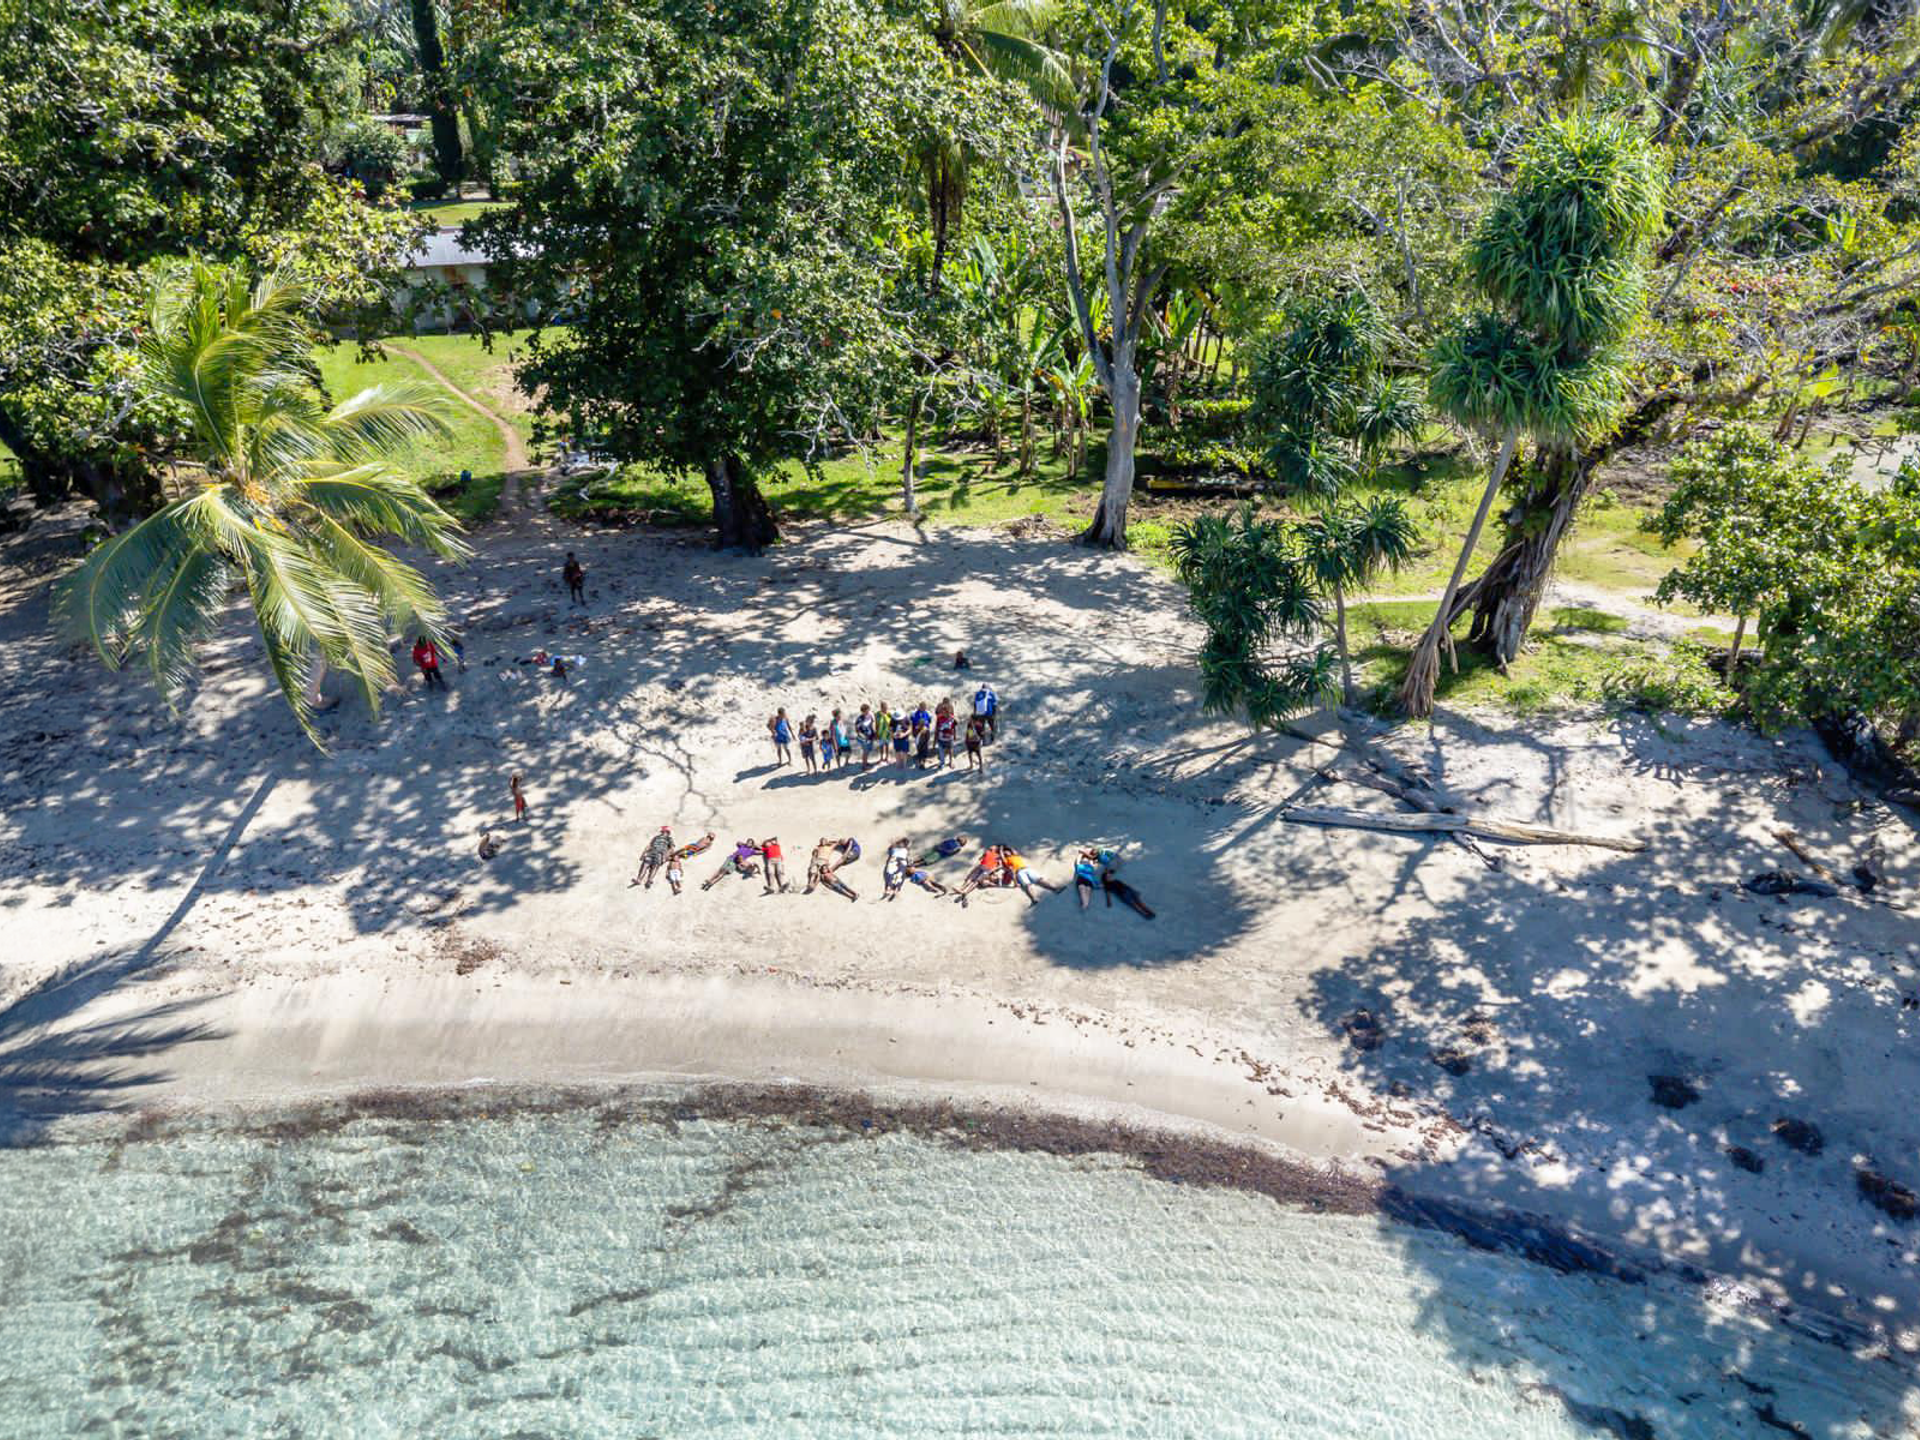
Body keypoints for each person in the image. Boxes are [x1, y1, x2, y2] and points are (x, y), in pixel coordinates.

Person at [854, 704, 877, 770]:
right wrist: (863, 737)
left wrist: (874, 733)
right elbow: (857, 730)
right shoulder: (860, 719)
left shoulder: (870, 715)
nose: (868, 712)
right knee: (865, 751)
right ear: (863, 711)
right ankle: (864, 766)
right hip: (864, 739)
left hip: (870, 737)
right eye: (866, 711)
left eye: (868, 710)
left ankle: (866, 762)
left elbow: (873, 722)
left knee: (868, 751)